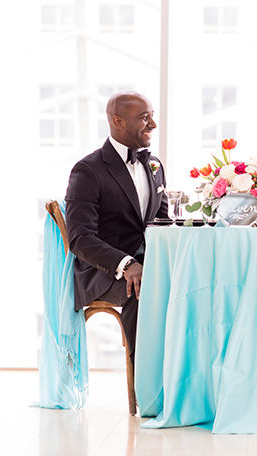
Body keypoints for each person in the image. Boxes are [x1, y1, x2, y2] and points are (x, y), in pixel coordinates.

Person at [65, 90, 168, 363]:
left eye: (152, 116)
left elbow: (163, 222)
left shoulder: (154, 165)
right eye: (144, 118)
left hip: (148, 263)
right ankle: (146, 380)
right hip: (103, 271)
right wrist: (127, 264)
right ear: (118, 121)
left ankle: (182, 371)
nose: (153, 124)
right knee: (144, 290)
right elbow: (79, 238)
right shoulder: (88, 171)